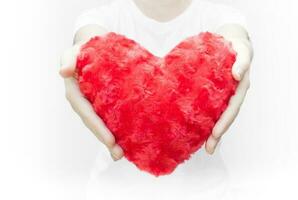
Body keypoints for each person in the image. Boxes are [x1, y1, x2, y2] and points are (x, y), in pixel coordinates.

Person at [59, 0, 253, 199]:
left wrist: (237, 48)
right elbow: (90, 40)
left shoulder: (221, 16)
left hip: (207, 192)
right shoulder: (101, 18)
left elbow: (234, 35)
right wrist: (84, 55)